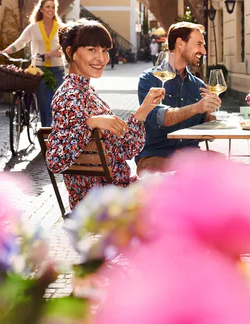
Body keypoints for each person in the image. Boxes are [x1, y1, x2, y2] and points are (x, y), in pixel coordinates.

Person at [45, 20, 164, 210]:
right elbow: (55, 160)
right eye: (92, 49)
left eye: (105, 50)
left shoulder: (88, 93)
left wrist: (143, 111)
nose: (101, 58)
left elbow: (125, 150)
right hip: (103, 201)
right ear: (71, 53)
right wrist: (90, 123)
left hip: (116, 192)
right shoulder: (69, 96)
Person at [135, 22, 222, 175]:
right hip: (156, 156)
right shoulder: (150, 79)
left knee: (234, 168)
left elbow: (203, 129)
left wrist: (210, 115)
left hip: (190, 156)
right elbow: (158, 118)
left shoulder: (198, 85)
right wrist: (197, 107)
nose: (203, 50)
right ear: (180, 43)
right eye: (199, 44)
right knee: (189, 174)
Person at [0, 0, 66, 128]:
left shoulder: (62, 28)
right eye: (48, 7)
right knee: (44, 105)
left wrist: (51, 54)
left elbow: (66, 49)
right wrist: (3, 52)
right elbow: (19, 43)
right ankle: (46, 136)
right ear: (41, 10)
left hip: (57, 69)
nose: (51, 9)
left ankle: (57, 134)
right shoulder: (33, 28)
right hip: (38, 70)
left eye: (53, 7)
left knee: (56, 104)